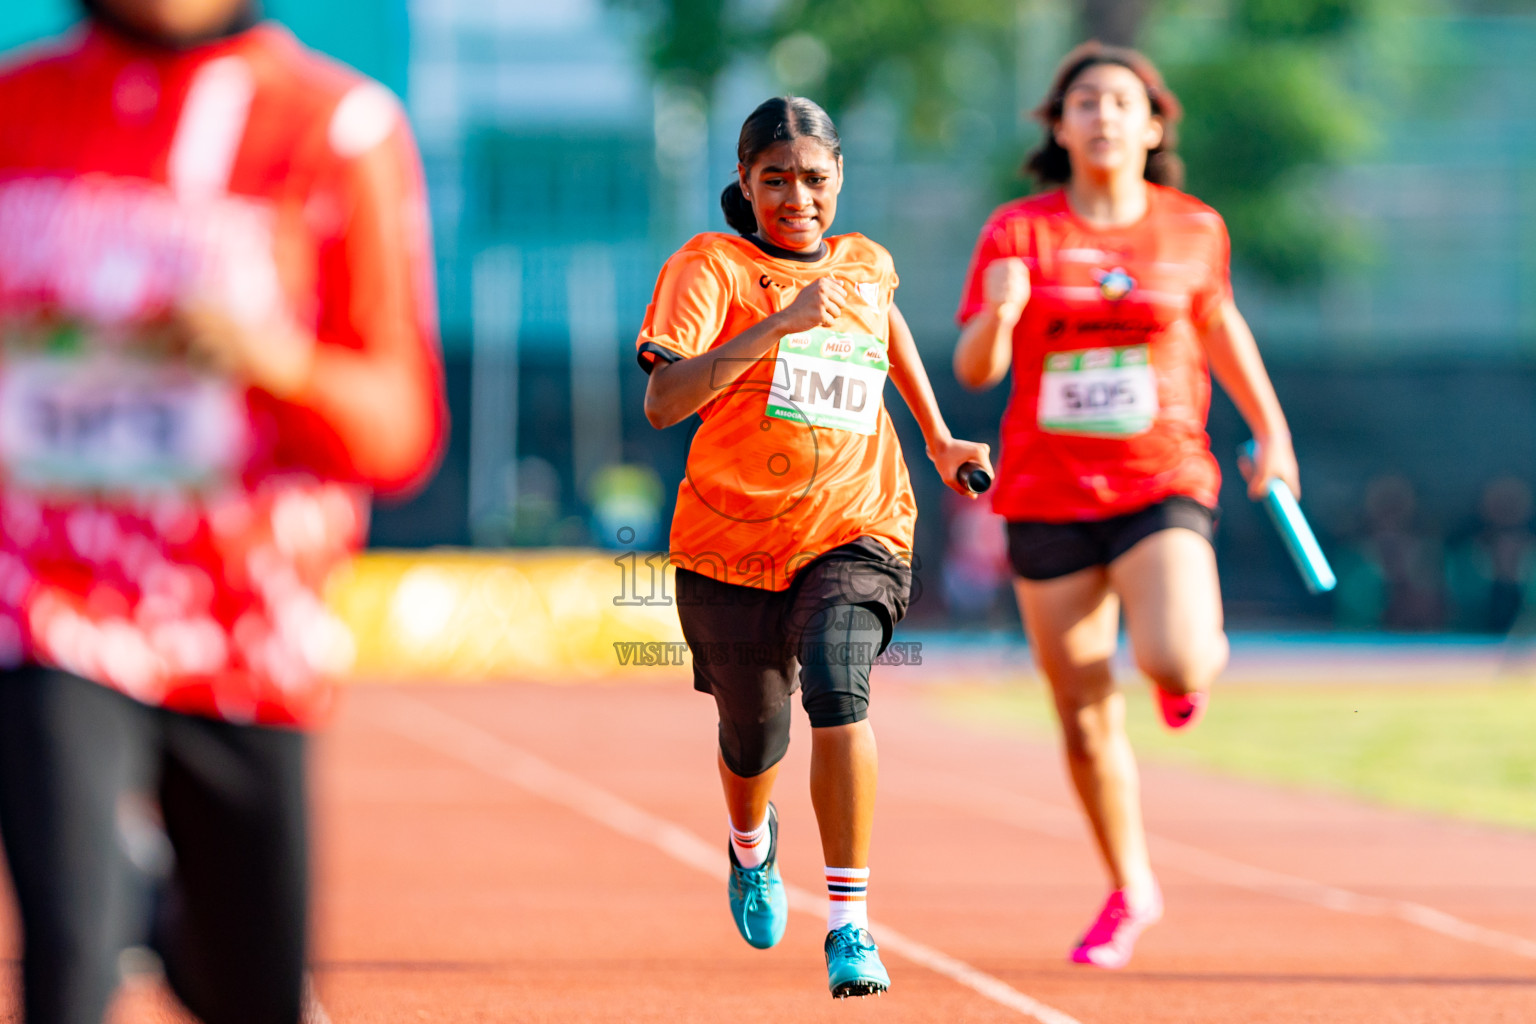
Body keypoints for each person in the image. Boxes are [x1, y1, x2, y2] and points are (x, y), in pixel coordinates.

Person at [0, 1, 446, 1021]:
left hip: (247, 626)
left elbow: (400, 430)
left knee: (253, 987)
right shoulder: (13, 113)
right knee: (68, 961)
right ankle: (122, 908)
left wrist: (274, 361)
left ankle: (164, 914)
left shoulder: (337, 128)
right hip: (45, 606)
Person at [953, 42, 1299, 969]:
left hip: (1160, 479)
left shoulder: (1194, 228)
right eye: (1083, 102)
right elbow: (978, 370)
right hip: (1046, 494)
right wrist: (1002, 314)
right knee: (1082, 713)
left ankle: (1184, 675)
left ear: (1153, 126)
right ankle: (1129, 887)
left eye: (1120, 101)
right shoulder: (1017, 233)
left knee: (1175, 654)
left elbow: (1219, 324)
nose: (1102, 115)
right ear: (1058, 128)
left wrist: (1271, 429)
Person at [637, 95, 990, 998]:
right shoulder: (710, 266)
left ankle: (850, 923)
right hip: (729, 541)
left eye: (816, 179)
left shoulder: (867, 263)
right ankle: (751, 847)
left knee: (840, 682)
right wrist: (776, 325)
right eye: (776, 180)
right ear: (746, 184)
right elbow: (664, 401)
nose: (798, 197)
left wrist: (941, 436)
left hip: (856, 523)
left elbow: (885, 329)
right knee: (754, 737)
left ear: (840, 180)